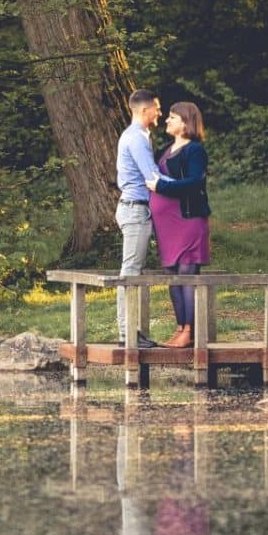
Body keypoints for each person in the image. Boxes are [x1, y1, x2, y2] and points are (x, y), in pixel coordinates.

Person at [146, 101, 211, 350]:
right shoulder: (165, 149)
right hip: (168, 227)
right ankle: (180, 328)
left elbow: (195, 182)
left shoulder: (195, 150)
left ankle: (190, 331)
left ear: (186, 122)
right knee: (172, 276)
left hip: (188, 220)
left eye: (172, 117)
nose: (167, 121)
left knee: (187, 274)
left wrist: (162, 187)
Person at [115, 89, 162, 347]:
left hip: (135, 208)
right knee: (130, 271)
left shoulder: (137, 135)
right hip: (134, 209)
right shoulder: (136, 138)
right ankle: (126, 335)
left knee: (133, 269)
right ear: (145, 110)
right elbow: (152, 176)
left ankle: (131, 331)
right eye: (157, 108)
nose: (160, 113)